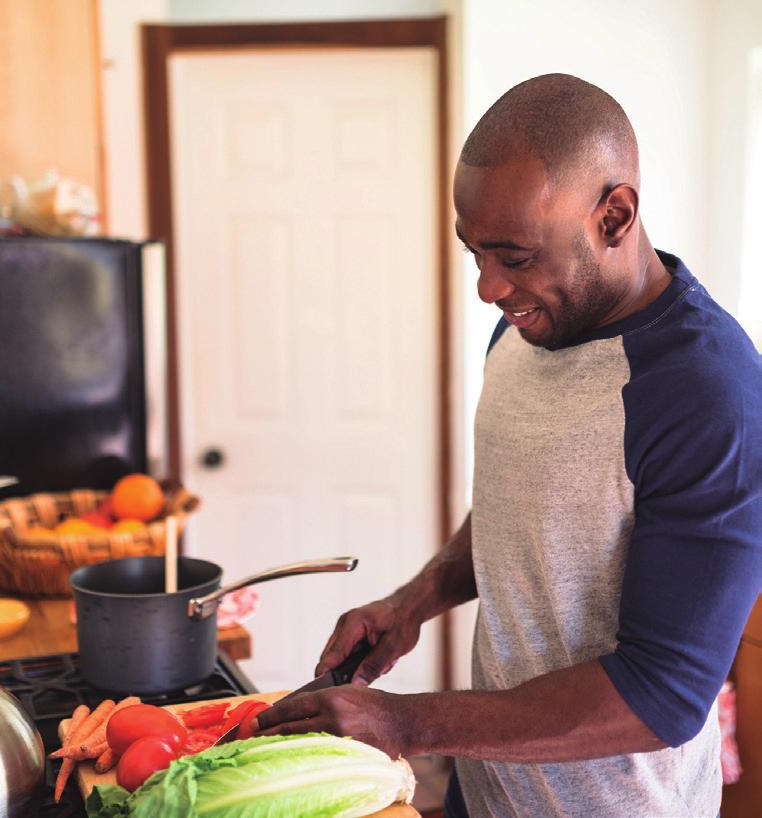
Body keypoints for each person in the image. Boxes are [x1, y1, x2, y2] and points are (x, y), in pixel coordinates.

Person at [255, 73, 762, 817]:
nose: (489, 288)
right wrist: (413, 601)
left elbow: (663, 697)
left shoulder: (710, 395)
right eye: (475, 253)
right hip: (489, 785)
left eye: (515, 257)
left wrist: (407, 721)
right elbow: (520, 509)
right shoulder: (529, 326)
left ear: (613, 216)